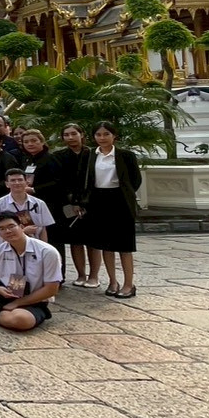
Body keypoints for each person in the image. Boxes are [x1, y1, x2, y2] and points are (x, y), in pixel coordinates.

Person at [0, 212, 62, 330]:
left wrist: (17, 303)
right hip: (4, 292)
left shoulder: (47, 252)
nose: (8, 231)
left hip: (33, 297)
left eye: (11, 226)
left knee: (21, 320)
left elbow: (51, 288)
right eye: (2, 229)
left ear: (21, 227)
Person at [86, 121, 142, 298]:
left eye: (106, 134)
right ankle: (112, 281)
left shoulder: (126, 155)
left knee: (124, 245)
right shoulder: (91, 155)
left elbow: (135, 180)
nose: (102, 138)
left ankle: (128, 284)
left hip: (120, 200)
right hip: (99, 201)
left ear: (114, 136)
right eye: (98, 134)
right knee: (106, 245)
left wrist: (125, 194)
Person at [35, 123, 94, 286]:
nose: (70, 137)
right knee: (75, 239)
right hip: (69, 202)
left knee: (93, 241)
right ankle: (81, 274)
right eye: (66, 135)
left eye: (73, 133)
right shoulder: (58, 156)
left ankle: (94, 275)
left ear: (82, 134)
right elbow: (60, 182)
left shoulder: (92, 154)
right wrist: (74, 201)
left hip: (92, 200)